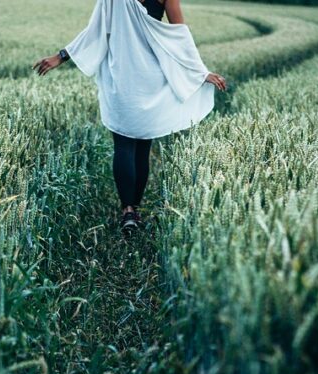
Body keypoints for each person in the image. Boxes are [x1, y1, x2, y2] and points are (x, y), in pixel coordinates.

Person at [34, 0, 227, 233]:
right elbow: (180, 38)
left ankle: (127, 210)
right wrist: (200, 72)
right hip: (151, 79)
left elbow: (95, 31)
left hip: (122, 77)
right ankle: (134, 208)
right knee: (143, 144)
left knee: (124, 144)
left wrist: (61, 56)